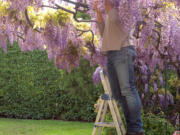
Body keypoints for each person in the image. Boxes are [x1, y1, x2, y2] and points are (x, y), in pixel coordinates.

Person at [94, 0, 145, 135]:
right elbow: (104, 33)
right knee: (117, 93)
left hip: (123, 50)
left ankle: (136, 130)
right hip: (111, 53)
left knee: (127, 89)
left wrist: (106, 5)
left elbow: (115, 18)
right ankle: (132, 128)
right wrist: (98, 13)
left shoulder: (125, 6)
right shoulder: (110, 9)